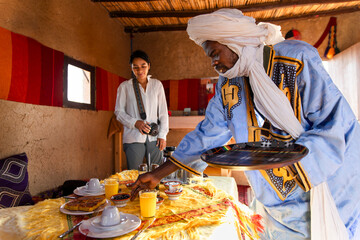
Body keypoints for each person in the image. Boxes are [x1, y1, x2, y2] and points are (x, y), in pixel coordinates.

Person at [130, 9, 360, 239]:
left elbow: (335, 123)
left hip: (323, 186)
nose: (214, 62)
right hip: (273, 198)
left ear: (236, 43)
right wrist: (159, 173)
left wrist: (290, 166)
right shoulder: (228, 85)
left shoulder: (296, 60)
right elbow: (207, 134)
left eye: (216, 53)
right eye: (210, 56)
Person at [114, 50, 169, 170]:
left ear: (149, 65)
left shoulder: (157, 85)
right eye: (135, 67)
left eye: (143, 66)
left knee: (157, 172)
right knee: (134, 174)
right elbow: (118, 112)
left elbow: (163, 113)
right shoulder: (124, 87)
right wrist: (135, 123)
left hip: (155, 137)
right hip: (133, 137)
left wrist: (162, 135)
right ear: (131, 68)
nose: (140, 70)